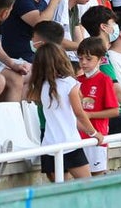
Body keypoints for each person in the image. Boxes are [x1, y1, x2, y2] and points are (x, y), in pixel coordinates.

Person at [29, 42, 104, 181]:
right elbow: (79, 113)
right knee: (89, 187)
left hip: (49, 146)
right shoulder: (69, 83)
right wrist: (94, 133)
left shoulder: (40, 86)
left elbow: (68, 118)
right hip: (70, 144)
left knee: (60, 193)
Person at [75, 37, 119, 176]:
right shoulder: (76, 81)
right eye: (81, 58)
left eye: (88, 59)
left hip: (97, 136)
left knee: (97, 177)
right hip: (77, 137)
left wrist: (90, 115)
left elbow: (115, 111)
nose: (83, 63)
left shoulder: (104, 80)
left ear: (100, 59)